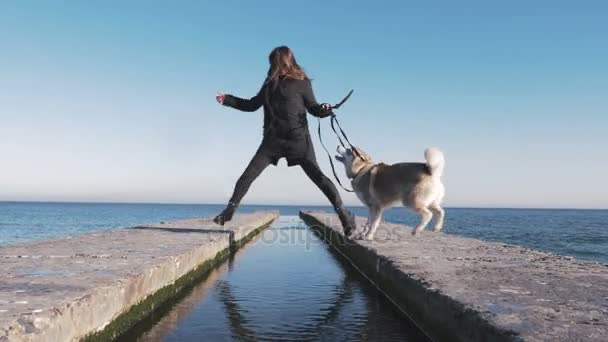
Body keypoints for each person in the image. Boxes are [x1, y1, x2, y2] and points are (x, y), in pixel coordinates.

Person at [213, 46, 356, 236]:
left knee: (318, 178)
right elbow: (252, 105)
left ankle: (345, 216)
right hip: (273, 141)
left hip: (297, 141)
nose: (274, 65)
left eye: (275, 61)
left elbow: (313, 108)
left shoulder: (300, 83)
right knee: (250, 175)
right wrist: (228, 100)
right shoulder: (269, 84)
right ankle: (229, 211)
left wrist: (325, 109)